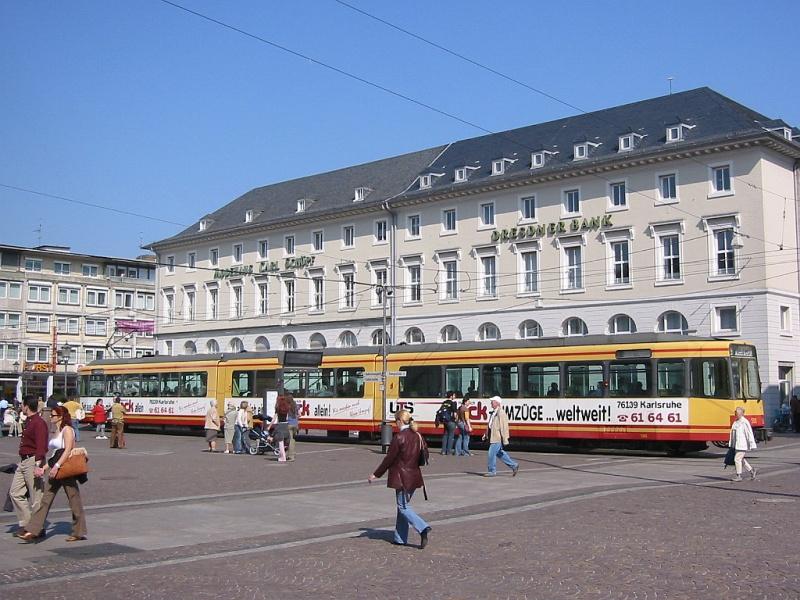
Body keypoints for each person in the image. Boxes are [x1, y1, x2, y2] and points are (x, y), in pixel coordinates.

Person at [19, 405, 87, 543]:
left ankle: (79, 531)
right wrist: (44, 467)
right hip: (55, 468)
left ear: (61, 417)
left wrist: (56, 466)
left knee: (74, 500)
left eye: (53, 415)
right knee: (45, 500)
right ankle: (32, 530)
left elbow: (67, 450)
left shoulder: (68, 430)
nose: (51, 417)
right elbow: (55, 454)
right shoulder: (57, 430)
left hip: (66, 469)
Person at [368, 410, 431, 548]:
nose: (395, 423)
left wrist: (376, 474)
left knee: (403, 507)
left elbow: (389, 459)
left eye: (396, 421)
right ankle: (400, 538)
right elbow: (424, 456)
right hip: (415, 476)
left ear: (400, 421)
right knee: (403, 507)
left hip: (402, 477)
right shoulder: (418, 435)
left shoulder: (399, 437)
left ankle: (423, 527)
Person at [9, 395, 48, 536]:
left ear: (26, 406)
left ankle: (36, 527)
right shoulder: (29, 421)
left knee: (36, 496)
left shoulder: (38, 422)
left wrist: (38, 464)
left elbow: (41, 445)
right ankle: (27, 523)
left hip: (33, 460)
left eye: (22, 405)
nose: (20, 407)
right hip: (24, 460)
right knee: (15, 492)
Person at [482, 396, 519, 477]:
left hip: (497, 437)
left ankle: (492, 471)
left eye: (492, 401)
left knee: (491, 453)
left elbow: (504, 427)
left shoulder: (501, 413)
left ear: (497, 403)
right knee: (500, 454)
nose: (491, 403)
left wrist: (505, 439)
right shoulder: (494, 412)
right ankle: (514, 465)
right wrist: (486, 434)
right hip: (493, 436)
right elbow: (490, 425)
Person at [729, 406, 757, 482]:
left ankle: (739, 475)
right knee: (741, 460)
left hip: (742, 444)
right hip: (736, 444)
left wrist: (752, 444)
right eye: (735, 412)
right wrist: (731, 443)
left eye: (737, 413)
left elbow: (749, 433)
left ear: (741, 413)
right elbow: (733, 434)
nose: (735, 414)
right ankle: (752, 471)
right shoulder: (736, 422)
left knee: (737, 459)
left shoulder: (744, 422)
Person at [271, 395, 293, 462]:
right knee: (286, 442)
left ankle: (282, 457)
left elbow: (274, 419)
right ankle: (285, 455)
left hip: (280, 425)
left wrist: (269, 426)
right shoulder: (287, 408)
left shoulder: (278, 409)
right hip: (286, 425)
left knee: (280, 442)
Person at [286, 394, 299, 461]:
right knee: (293, 439)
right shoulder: (295, 405)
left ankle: (291, 456)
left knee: (289, 440)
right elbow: (298, 415)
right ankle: (293, 452)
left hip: (289, 424)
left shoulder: (287, 406)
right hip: (295, 424)